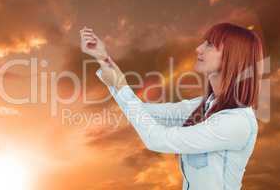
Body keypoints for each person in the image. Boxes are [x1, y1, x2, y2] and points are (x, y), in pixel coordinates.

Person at [79, 22, 264, 190]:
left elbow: (157, 139)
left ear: (233, 56)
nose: (198, 49)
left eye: (209, 44)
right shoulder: (202, 106)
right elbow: (142, 111)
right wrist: (102, 58)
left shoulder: (236, 122)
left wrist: (121, 86)